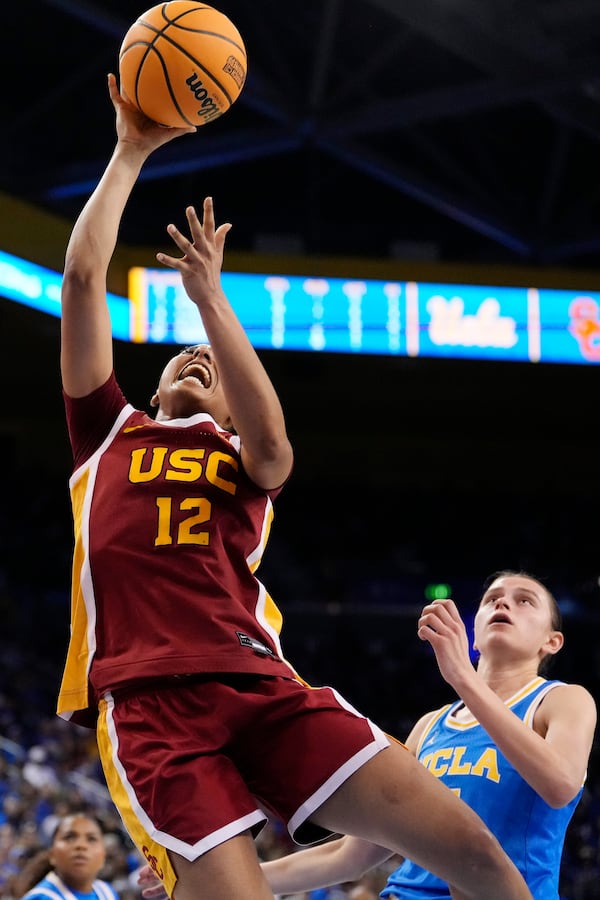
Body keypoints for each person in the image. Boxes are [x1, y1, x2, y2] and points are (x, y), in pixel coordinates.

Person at [56, 72, 533, 900]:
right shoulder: (107, 435)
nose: (196, 360)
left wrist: (210, 302)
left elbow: (272, 440)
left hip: (261, 684)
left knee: (480, 857)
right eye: (183, 355)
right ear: (152, 379)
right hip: (151, 709)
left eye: (211, 363)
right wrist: (132, 149)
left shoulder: (243, 458)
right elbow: (82, 281)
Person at [258, 571, 597, 899]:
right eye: (492, 599)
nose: (503, 604)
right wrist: (232, 880)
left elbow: (561, 786)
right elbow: (350, 856)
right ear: (474, 632)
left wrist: (464, 677)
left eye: (524, 601)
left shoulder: (562, 700)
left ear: (551, 642)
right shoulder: (430, 726)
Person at [16, 812, 119, 900]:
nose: (81, 845)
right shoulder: (41, 897)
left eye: (91, 839)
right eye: (69, 837)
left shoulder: (107, 892)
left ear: (103, 856)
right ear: (52, 854)